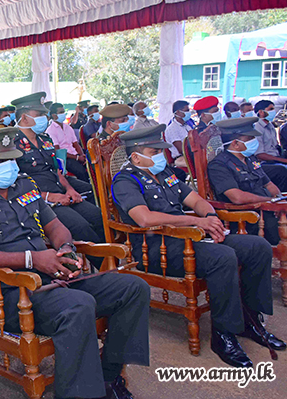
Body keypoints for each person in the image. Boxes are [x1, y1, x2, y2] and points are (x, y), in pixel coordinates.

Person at [0, 127, 149, 399]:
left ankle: (107, 377)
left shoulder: (25, 185)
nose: (10, 166)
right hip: (11, 293)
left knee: (133, 288)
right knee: (79, 305)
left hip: (54, 276)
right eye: (0, 161)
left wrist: (65, 250)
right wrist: (32, 259)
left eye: (12, 159)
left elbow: (55, 227)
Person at [112, 124, 283, 367]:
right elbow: (144, 219)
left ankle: (251, 321)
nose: (161, 156)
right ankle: (223, 335)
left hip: (190, 238)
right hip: (158, 247)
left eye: (160, 151)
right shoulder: (125, 180)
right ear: (136, 157)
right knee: (222, 256)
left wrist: (210, 218)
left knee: (257, 246)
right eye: (154, 152)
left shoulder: (166, 174)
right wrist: (195, 221)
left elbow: (196, 200)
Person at [11, 93, 105, 248]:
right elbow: (13, 185)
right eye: (39, 114)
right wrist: (48, 196)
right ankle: (103, 261)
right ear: (25, 118)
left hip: (59, 190)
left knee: (97, 216)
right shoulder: (11, 144)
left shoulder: (45, 139)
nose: (44, 118)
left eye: (44, 114)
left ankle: (108, 256)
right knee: (81, 227)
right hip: (36, 200)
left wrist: (69, 188)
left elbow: (57, 170)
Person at [208, 117, 283, 245]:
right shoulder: (219, 165)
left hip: (267, 210)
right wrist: (268, 201)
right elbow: (237, 197)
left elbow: (269, 184)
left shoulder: (250, 159)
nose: (254, 141)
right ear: (235, 144)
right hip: (249, 217)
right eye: (249, 139)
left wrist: (279, 200)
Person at [45, 102, 88, 181]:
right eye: (61, 112)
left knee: (92, 163)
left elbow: (76, 144)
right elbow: (58, 151)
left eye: (63, 112)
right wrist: (77, 158)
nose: (63, 114)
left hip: (75, 154)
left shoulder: (68, 127)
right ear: (54, 115)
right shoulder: (51, 130)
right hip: (65, 158)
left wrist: (82, 155)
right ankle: (87, 187)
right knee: (82, 172)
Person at [252, 99, 287, 192]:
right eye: (270, 109)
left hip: (276, 158)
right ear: (261, 112)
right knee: (283, 170)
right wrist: (283, 160)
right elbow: (259, 155)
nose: (273, 111)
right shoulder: (257, 127)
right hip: (261, 163)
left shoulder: (270, 126)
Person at [164, 100, 194, 169]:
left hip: (191, 154)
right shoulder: (172, 128)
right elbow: (181, 149)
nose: (189, 113)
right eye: (186, 110)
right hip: (181, 157)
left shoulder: (187, 126)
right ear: (178, 112)